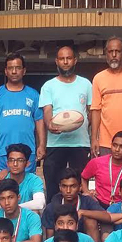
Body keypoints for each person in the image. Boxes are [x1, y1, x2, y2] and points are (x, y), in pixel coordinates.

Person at [40, 44, 93, 203]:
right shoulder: (49, 86)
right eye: (62, 59)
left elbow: (91, 111)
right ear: (56, 61)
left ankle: (81, 218)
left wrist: (88, 130)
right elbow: (47, 110)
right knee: (53, 186)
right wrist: (50, 124)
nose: (65, 62)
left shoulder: (86, 84)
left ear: (75, 60)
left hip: (80, 143)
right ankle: (53, 220)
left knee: (81, 185)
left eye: (68, 58)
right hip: (55, 143)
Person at [0, 52, 45, 173]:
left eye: (18, 68)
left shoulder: (33, 94)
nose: (14, 71)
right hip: (3, 151)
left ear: (24, 71)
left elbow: (39, 121)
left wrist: (41, 145)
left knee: (26, 186)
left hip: (28, 151)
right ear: (6, 71)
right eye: (11, 68)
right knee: (4, 187)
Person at [41, 168, 110, 242]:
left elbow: (107, 216)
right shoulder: (52, 207)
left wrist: (83, 212)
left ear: (80, 187)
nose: (68, 191)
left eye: (73, 186)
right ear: (60, 187)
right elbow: (49, 238)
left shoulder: (87, 201)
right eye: (64, 186)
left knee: (91, 221)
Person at [81, 131, 122, 208]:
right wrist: (87, 192)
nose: (117, 149)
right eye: (114, 145)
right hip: (98, 203)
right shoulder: (96, 162)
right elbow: (83, 177)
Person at [0, 143, 46, 211]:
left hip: (24, 217)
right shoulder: (0, 178)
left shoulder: (34, 180)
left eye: (20, 160)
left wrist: (15, 207)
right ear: (7, 163)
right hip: (3, 217)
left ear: (27, 164)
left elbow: (40, 203)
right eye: (11, 160)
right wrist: (8, 206)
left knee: (35, 211)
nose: (15, 164)